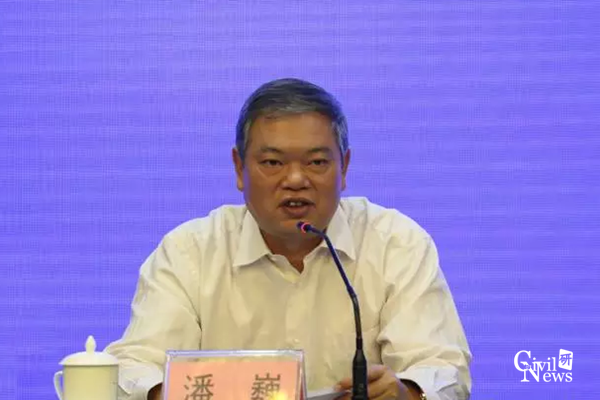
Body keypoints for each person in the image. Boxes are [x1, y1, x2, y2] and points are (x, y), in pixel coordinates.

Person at [105, 78, 472, 400]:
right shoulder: (190, 253)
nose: (296, 180)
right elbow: (134, 367)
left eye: (316, 162)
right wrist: (168, 392)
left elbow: (442, 370)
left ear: (344, 168)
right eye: (273, 163)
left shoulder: (396, 244)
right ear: (239, 168)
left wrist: (407, 393)